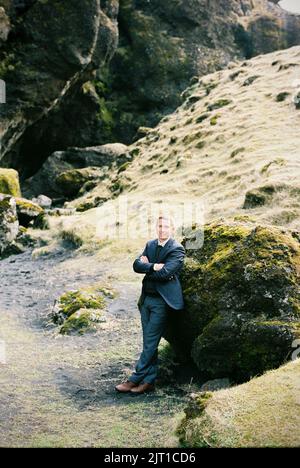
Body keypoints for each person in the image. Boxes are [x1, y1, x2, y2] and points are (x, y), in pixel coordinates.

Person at [115, 214, 185, 395]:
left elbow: (166, 273)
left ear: (172, 229)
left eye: (166, 227)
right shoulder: (150, 245)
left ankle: (134, 379)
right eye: (160, 226)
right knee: (148, 342)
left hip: (162, 302)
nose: (162, 229)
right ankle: (149, 381)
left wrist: (148, 268)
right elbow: (136, 265)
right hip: (146, 299)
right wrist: (154, 266)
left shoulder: (177, 249)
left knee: (150, 342)